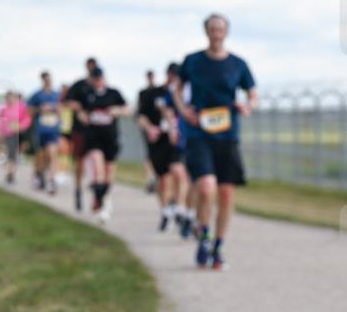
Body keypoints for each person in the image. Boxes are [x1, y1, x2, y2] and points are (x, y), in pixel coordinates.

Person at [173, 13, 257, 270]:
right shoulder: (192, 61)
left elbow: (252, 94)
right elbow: (177, 89)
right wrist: (184, 110)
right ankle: (204, 236)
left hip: (227, 135)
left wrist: (247, 106)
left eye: (220, 29)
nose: (216, 33)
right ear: (206, 32)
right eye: (212, 29)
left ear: (226, 32)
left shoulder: (238, 64)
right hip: (199, 134)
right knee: (206, 187)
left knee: (226, 193)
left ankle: (218, 246)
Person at [137, 64, 191, 231]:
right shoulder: (151, 94)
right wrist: (149, 128)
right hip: (158, 141)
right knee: (163, 179)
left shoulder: (184, 95)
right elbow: (140, 116)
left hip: (177, 141)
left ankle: (180, 208)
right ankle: (166, 209)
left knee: (179, 172)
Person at [71, 67, 128, 222]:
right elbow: (77, 108)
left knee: (108, 175)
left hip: (110, 137)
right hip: (93, 137)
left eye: (99, 78)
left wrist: (118, 111)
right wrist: (82, 115)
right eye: (95, 79)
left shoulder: (113, 93)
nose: (97, 81)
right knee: (98, 167)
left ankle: (103, 199)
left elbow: (126, 109)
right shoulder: (87, 94)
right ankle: (101, 202)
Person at [64, 58, 99, 211]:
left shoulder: (99, 87)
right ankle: (78, 189)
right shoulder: (79, 85)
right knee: (80, 162)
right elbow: (67, 101)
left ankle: (97, 194)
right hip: (80, 130)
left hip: (97, 130)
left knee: (97, 162)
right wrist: (78, 109)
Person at [28, 71, 63, 195]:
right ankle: (39, 175)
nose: (48, 82)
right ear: (42, 80)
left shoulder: (57, 95)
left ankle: (52, 180)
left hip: (53, 130)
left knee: (52, 154)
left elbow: (61, 109)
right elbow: (29, 110)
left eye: (49, 79)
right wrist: (40, 109)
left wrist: (55, 109)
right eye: (45, 80)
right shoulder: (37, 95)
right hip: (40, 130)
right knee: (40, 156)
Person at [0, 91, 32, 184]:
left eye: (11, 98)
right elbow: (0, 120)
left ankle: (11, 173)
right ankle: (10, 174)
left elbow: (27, 119)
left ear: (14, 98)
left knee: (15, 155)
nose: (9, 100)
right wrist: (0, 131)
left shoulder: (21, 107)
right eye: (7, 98)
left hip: (19, 134)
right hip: (8, 134)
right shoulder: (4, 108)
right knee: (10, 155)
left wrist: (21, 126)